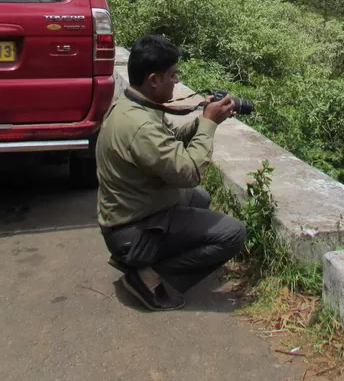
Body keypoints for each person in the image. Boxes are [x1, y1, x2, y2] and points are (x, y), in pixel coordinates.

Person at [96, 34, 247, 311]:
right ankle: (154, 281)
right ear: (154, 80)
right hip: (131, 233)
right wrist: (209, 125)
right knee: (233, 233)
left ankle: (149, 261)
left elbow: (168, 142)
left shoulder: (132, 105)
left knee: (198, 198)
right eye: (173, 75)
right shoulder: (141, 126)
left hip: (128, 215)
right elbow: (189, 172)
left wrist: (203, 118)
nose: (177, 81)